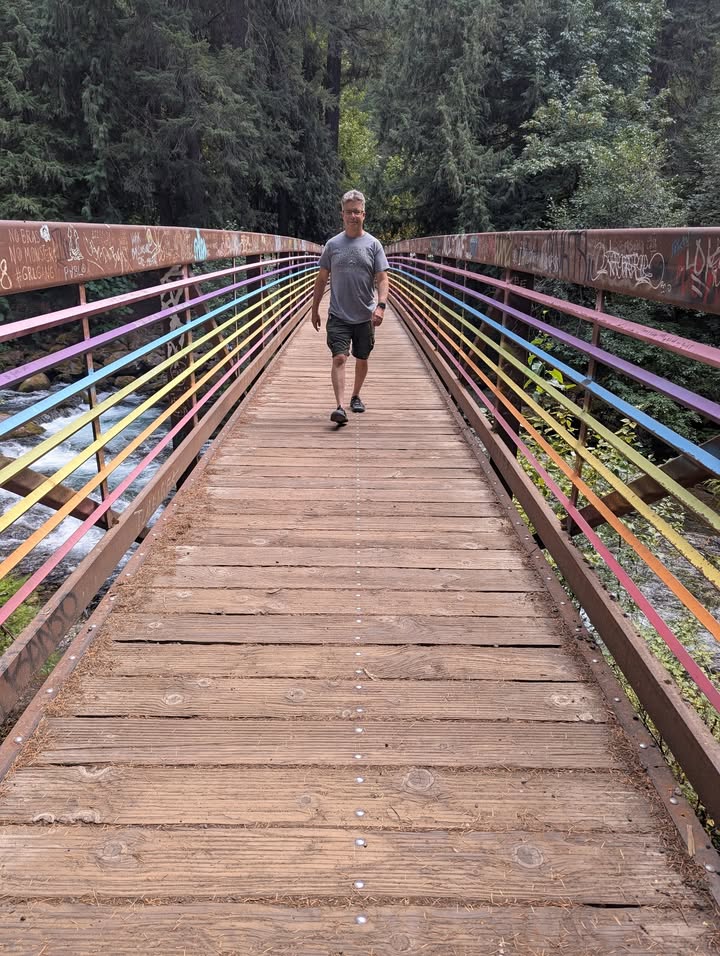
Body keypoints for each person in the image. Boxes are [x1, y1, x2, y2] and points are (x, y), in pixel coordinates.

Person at [311, 190, 389, 425]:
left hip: (365, 315)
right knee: (339, 358)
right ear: (342, 215)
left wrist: (381, 306)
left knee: (362, 358)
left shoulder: (374, 245)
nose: (352, 216)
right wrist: (314, 309)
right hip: (338, 314)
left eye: (357, 212)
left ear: (363, 214)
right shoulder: (332, 245)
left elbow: (383, 278)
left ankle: (356, 395)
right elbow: (321, 278)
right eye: (348, 212)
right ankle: (340, 407)